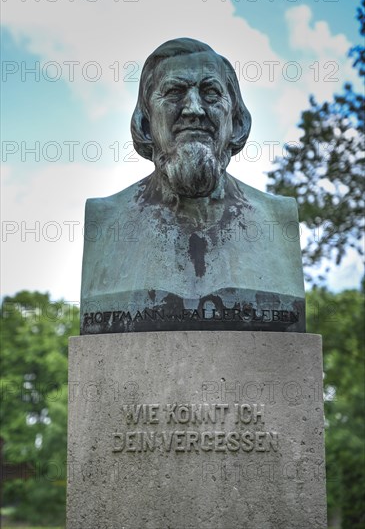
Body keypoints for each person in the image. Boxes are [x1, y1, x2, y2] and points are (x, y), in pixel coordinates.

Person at [80, 38, 305, 334]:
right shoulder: (105, 219)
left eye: (211, 92)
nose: (194, 109)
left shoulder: (277, 217)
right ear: (146, 121)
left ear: (235, 120)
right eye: (174, 92)